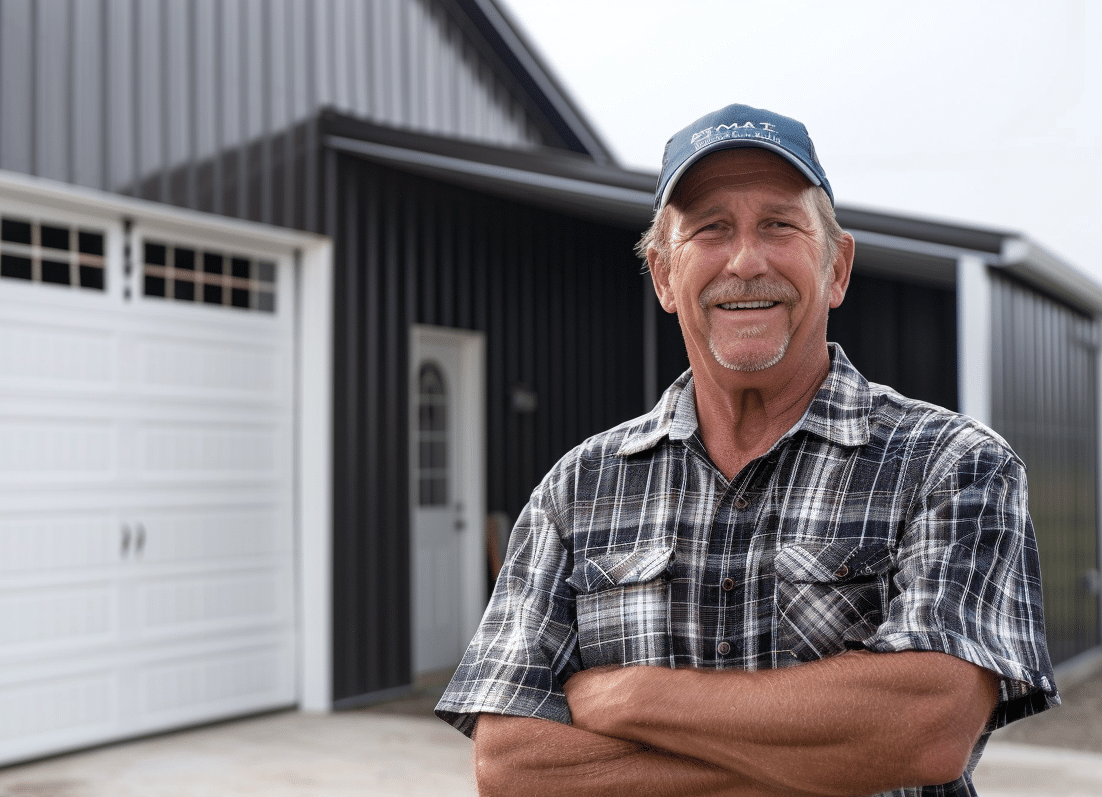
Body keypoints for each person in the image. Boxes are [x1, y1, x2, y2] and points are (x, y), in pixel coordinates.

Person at [435, 104, 1059, 796]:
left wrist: (633, 696)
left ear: (838, 267)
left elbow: (928, 725)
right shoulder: (576, 489)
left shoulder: (953, 464)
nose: (746, 260)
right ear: (665, 275)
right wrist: (829, 755)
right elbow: (512, 765)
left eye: (779, 224)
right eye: (710, 229)